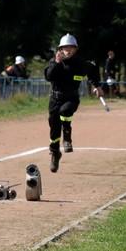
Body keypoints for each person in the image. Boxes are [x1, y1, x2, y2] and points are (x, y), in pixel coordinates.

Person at [44, 34, 103, 173]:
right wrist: (57, 62)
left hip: (71, 98)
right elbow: (49, 76)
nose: (68, 50)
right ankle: (55, 152)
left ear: (75, 49)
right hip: (55, 99)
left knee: (65, 111)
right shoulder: (55, 62)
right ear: (60, 49)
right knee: (54, 127)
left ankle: (67, 138)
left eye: (71, 47)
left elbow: (93, 70)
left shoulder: (81, 64)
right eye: (65, 48)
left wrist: (97, 86)